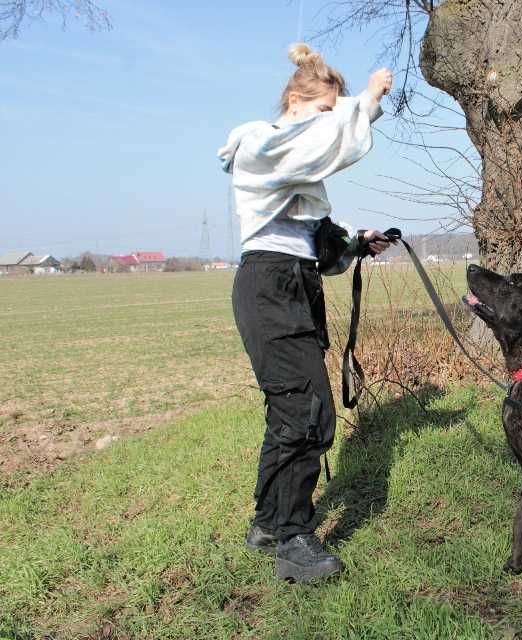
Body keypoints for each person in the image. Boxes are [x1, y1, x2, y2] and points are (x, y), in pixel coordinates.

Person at [217, 42, 394, 582]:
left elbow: (321, 247)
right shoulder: (259, 143)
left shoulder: (301, 173)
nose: (330, 123)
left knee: (292, 412)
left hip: (296, 284)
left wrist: (359, 244)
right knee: (307, 411)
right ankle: (293, 538)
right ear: (295, 99)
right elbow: (318, 144)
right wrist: (362, 100)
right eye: (324, 109)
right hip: (268, 286)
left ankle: (270, 524)